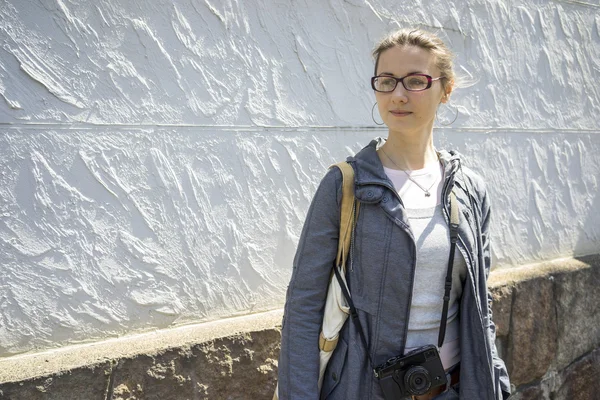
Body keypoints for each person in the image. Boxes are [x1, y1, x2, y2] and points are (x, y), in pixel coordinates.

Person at [277, 28, 511, 400]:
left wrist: (496, 383)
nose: (398, 94)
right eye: (387, 81)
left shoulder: (469, 190)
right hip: (360, 389)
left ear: (445, 90)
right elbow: (303, 306)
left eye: (416, 81)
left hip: (450, 388)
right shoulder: (345, 185)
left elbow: (481, 308)